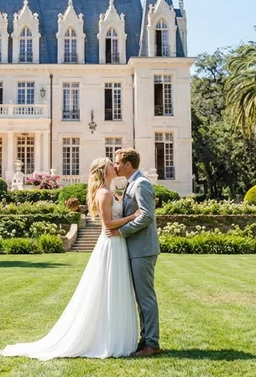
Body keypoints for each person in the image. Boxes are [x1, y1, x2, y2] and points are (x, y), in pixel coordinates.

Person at [0, 157, 140, 360]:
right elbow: (108, 223)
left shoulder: (111, 192)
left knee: (115, 288)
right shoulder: (102, 193)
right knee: (108, 288)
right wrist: (132, 217)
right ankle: (107, 339)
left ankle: (116, 335)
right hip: (111, 243)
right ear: (103, 170)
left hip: (117, 244)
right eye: (111, 163)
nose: (114, 165)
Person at [106, 148, 162, 357]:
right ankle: (145, 340)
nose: (115, 166)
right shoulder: (131, 183)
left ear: (128, 164)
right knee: (141, 298)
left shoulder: (142, 184)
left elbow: (147, 216)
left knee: (146, 298)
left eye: (118, 162)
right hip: (135, 249)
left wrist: (121, 231)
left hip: (143, 250)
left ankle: (152, 343)